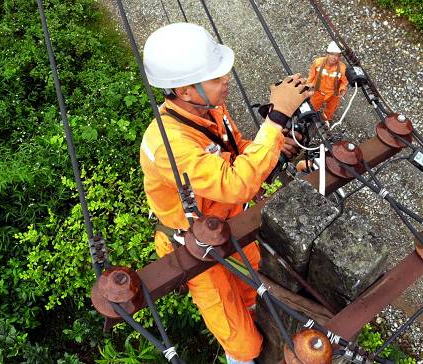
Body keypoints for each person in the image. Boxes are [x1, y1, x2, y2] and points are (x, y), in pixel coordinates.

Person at [140, 23, 312, 364]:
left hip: (230, 222)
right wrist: (275, 120)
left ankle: (262, 328)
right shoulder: (168, 145)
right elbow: (235, 184)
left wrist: (273, 147)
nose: (226, 80)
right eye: (216, 77)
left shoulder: (210, 110)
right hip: (194, 245)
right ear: (185, 91)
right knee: (244, 344)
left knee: (257, 294)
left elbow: (234, 151)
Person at [307, 41, 348, 123]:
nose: (333, 57)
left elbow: (344, 82)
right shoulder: (318, 63)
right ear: (328, 54)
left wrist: (342, 89)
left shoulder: (342, 68)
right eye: (332, 54)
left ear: (340, 57)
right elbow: (311, 75)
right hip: (319, 92)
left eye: (336, 55)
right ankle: (310, 119)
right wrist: (308, 85)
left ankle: (326, 120)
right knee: (313, 107)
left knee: (330, 109)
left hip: (333, 94)